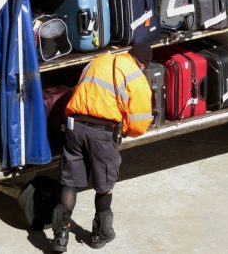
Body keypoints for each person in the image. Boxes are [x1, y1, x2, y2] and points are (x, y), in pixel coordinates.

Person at [51, 43, 154, 253]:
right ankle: (100, 234)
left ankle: (60, 237)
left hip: (74, 127)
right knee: (105, 184)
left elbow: (78, 89)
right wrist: (123, 130)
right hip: (103, 133)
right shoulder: (135, 75)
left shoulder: (98, 62)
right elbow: (140, 123)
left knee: (70, 182)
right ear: (142, 64)